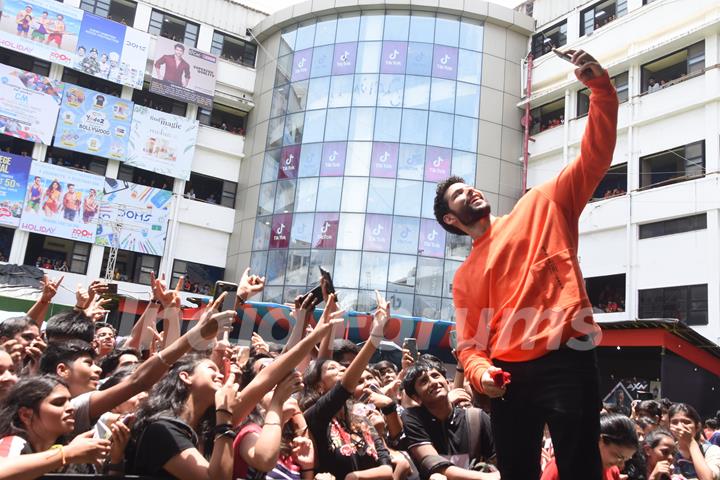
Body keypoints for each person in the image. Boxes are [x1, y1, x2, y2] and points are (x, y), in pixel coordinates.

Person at [433, 49, 618, 480]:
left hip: (568, 357)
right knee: (516, 473)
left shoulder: (543, 202)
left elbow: (596, 157)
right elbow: (471, 346)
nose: (472, 192)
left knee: (580, 470)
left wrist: (600, 89)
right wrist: (482, 378)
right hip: (509, 378)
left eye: (471, 187)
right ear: (451, 220)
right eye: (460, 195)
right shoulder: (464, 278)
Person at [126, 296, 342, 480]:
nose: (220, 374)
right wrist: (224, 419)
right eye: (211, 367)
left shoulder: (208, 423)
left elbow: (267, 377)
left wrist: (314, 335)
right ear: (185, 377)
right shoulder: (162, 430)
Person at [301, 293, 394, 480]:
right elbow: (343, 388)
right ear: (319, 386)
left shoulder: (361, 419)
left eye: (347, 368)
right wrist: (374, 338)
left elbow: (387, 469)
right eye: (334, 368)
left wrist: (354, 477)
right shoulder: (315, 417)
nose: (345, 370)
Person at [0, 375, 113, 480]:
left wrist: (116, 458)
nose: (71, 408)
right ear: (26, 415)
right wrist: (67, 454)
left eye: (69, 401)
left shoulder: (72, 451)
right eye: (58, 403)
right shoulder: (14, 443)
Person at [402, 360, 497, 479]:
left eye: (435, 376)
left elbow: (498, 461)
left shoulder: (476, 417)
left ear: (447, 382)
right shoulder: (413, 418)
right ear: (416, 398)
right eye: (424, 381)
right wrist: (487, 478)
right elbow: (435, 465)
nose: (433, 382)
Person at [542, 413, 638, 480]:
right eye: (618, 457)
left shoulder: (613, 471)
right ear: (601, 440)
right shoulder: (560, 466)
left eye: (625, 459)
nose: (621, 465)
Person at [668, 403, 720, 479]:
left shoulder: (712, 451)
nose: (680, 426)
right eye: (674, 422)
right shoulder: (667, 451)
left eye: (686, 422)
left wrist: (690, 442)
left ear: (698, 427)